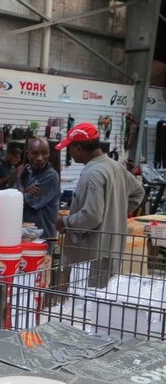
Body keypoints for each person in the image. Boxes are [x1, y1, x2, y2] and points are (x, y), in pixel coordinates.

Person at [56, 123, 144, 287]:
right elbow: (139, 192)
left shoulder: (92, 174)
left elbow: (91, 216)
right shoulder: (115, 166)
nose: (69, 152)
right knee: (105, 300)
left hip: (89, 257)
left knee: (84, 303)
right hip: (112, 249)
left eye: (70, 148)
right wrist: (115, 214)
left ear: (79, 148)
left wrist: (65, 222)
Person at [17, 138, 61, 239]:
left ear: (49, 154)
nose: (40, 158)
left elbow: (20, 202)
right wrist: (26, 190)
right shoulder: (26, 172)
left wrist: (19, 181)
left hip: (43, 237)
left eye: (44, 154)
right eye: (35, 154)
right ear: (28, 154)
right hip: (24, 234)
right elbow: (13, 200)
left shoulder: (51, 176)